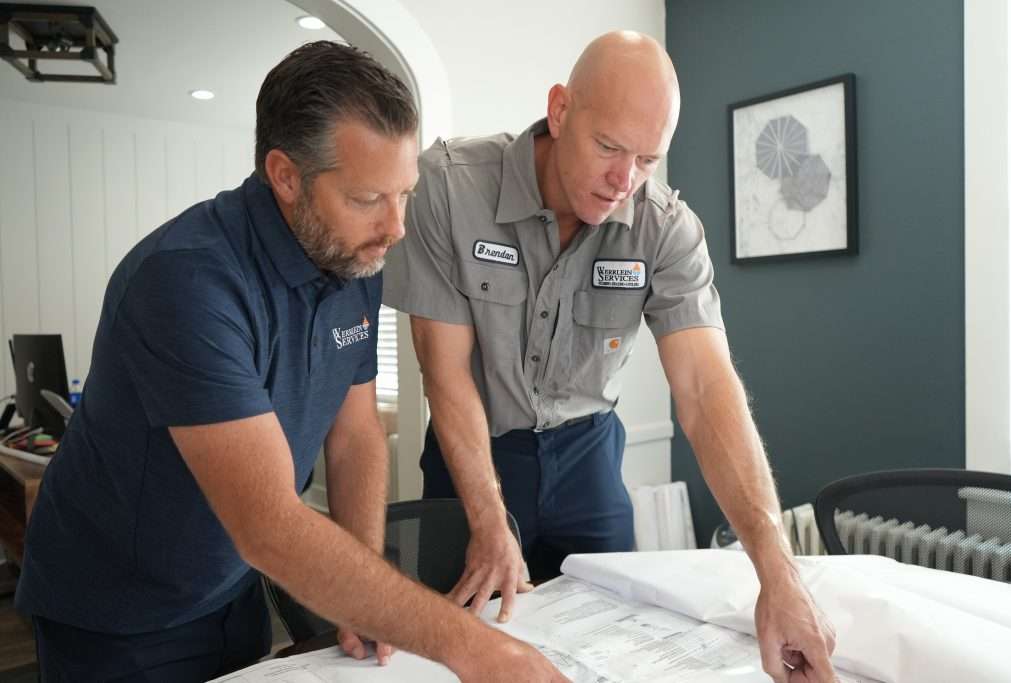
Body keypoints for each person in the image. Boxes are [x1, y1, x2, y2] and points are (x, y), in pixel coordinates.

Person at [15, 41, 567, 683]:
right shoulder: (186, 282)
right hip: (119, 611)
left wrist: (363, 594)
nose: (397, 227)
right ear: (284, 175)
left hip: (232, 587)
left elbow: (355, 432)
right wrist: (476, 650)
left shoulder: (354, 256)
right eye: (368, 199)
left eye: (405, 194)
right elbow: (270, 524)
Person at [383, 31, 839, 683]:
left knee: (611, 650)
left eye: (648, 160)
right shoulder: (449, 187)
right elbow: (446, 372)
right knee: (454, 653)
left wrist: (777, 571)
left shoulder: (666, 229)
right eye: (609, 148)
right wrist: (488, 513)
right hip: (476, 449)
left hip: (588, 457)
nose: (625, 180)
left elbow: (708, 391)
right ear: (562, 110)